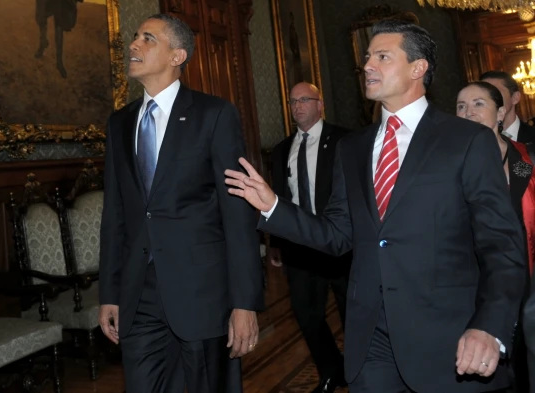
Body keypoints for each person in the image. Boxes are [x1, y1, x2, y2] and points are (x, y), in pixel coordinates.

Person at [226, 19, 526, 393]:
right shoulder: (353, 148)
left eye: (383, 57)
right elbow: (337, 235)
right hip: (372, 341)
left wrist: (490, 325)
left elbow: (502, 246)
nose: (368, 65)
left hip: (450, 340)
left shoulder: (466, 140)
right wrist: (273, 207)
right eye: (368, 57)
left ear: (418, 69)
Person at [98, 13, 263, 393]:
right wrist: (110, 292)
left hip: (203, 292)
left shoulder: (214, 114)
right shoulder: (119, 123)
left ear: (177, 56)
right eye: (135, 37)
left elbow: (237, 214)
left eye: (148, 38)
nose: (134, 45)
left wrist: (244, 303)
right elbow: (116, 215)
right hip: (139, 294)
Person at [269, 81, 349, 393]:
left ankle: (360, 369)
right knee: (306, 313)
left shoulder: (345, 140)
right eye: (293, 102)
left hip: (341, 243)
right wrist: (276, 242)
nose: (298, 106)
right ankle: (331, 371)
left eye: (305, 99)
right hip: (299, 247)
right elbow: (279, 199)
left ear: (320, 104)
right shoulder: (280, 150)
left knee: (351, 312)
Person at [457, 81, 535, 393]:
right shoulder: (452, 166)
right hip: (478, 283)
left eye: (478, 104)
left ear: (500, 112)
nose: (468, 112)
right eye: (461, 106)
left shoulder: (525, 160)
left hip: (530, 281)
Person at [481, 71, 535, 145]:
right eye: (482, 95)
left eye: (495, 93)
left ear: (515, 98)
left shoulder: (532, 137)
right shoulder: (473, 141)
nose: (488, 99)